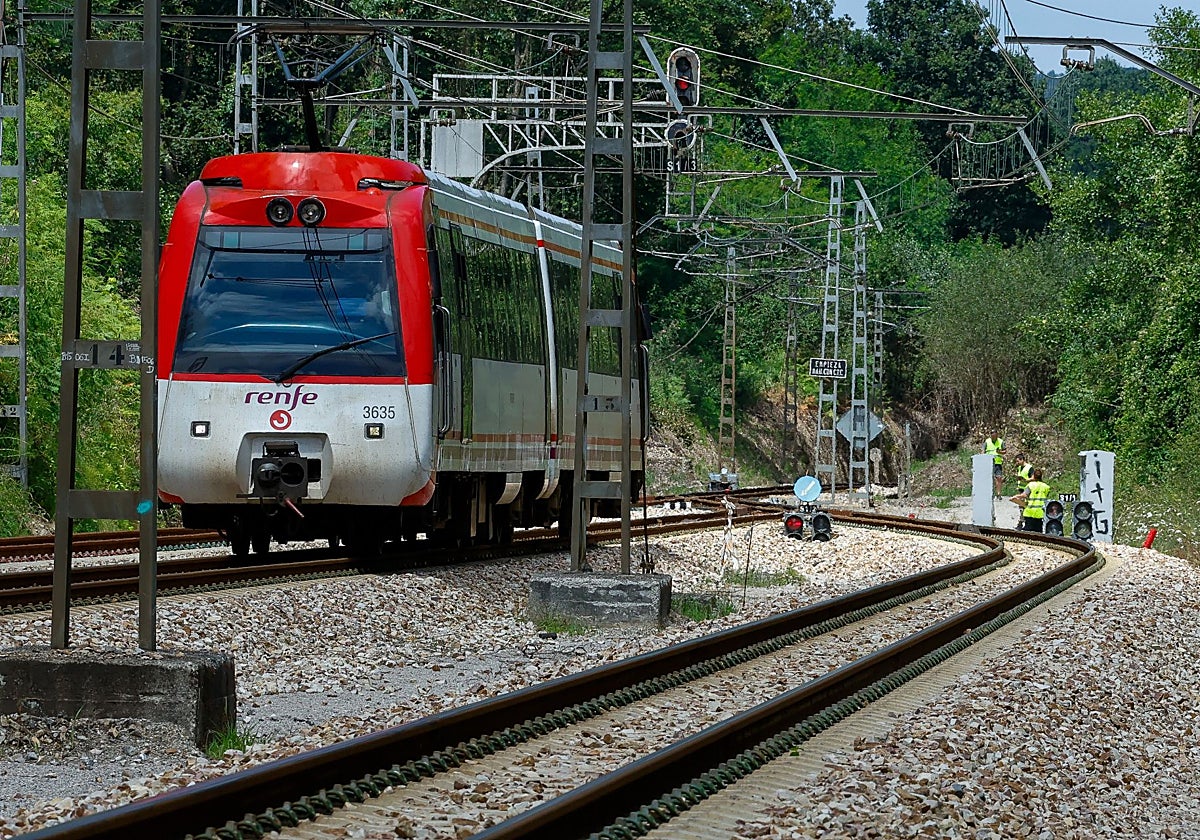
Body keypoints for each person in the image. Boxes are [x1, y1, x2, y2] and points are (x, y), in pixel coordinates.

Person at [1013, 467, 1051, 533]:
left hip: (1030, 512)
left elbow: (1024, 495)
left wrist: (1015, 497)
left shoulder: (1030, 485)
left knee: (1028, 532)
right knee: (1038, 531)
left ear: (1033, 476)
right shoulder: (1046, 487)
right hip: (1040, 513)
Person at [984, 434, 1006, 498]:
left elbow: (1004, 451)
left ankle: (998, 494)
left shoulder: (1001, 441)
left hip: (998, 462)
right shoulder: (987, 441)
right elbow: (983, 451)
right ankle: (989, 493)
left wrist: (999, 452)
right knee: (988, 479)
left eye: (995, 437)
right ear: (990, 436)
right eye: (993, 437)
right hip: (988, 463)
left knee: (999, 478)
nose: (994, 438)